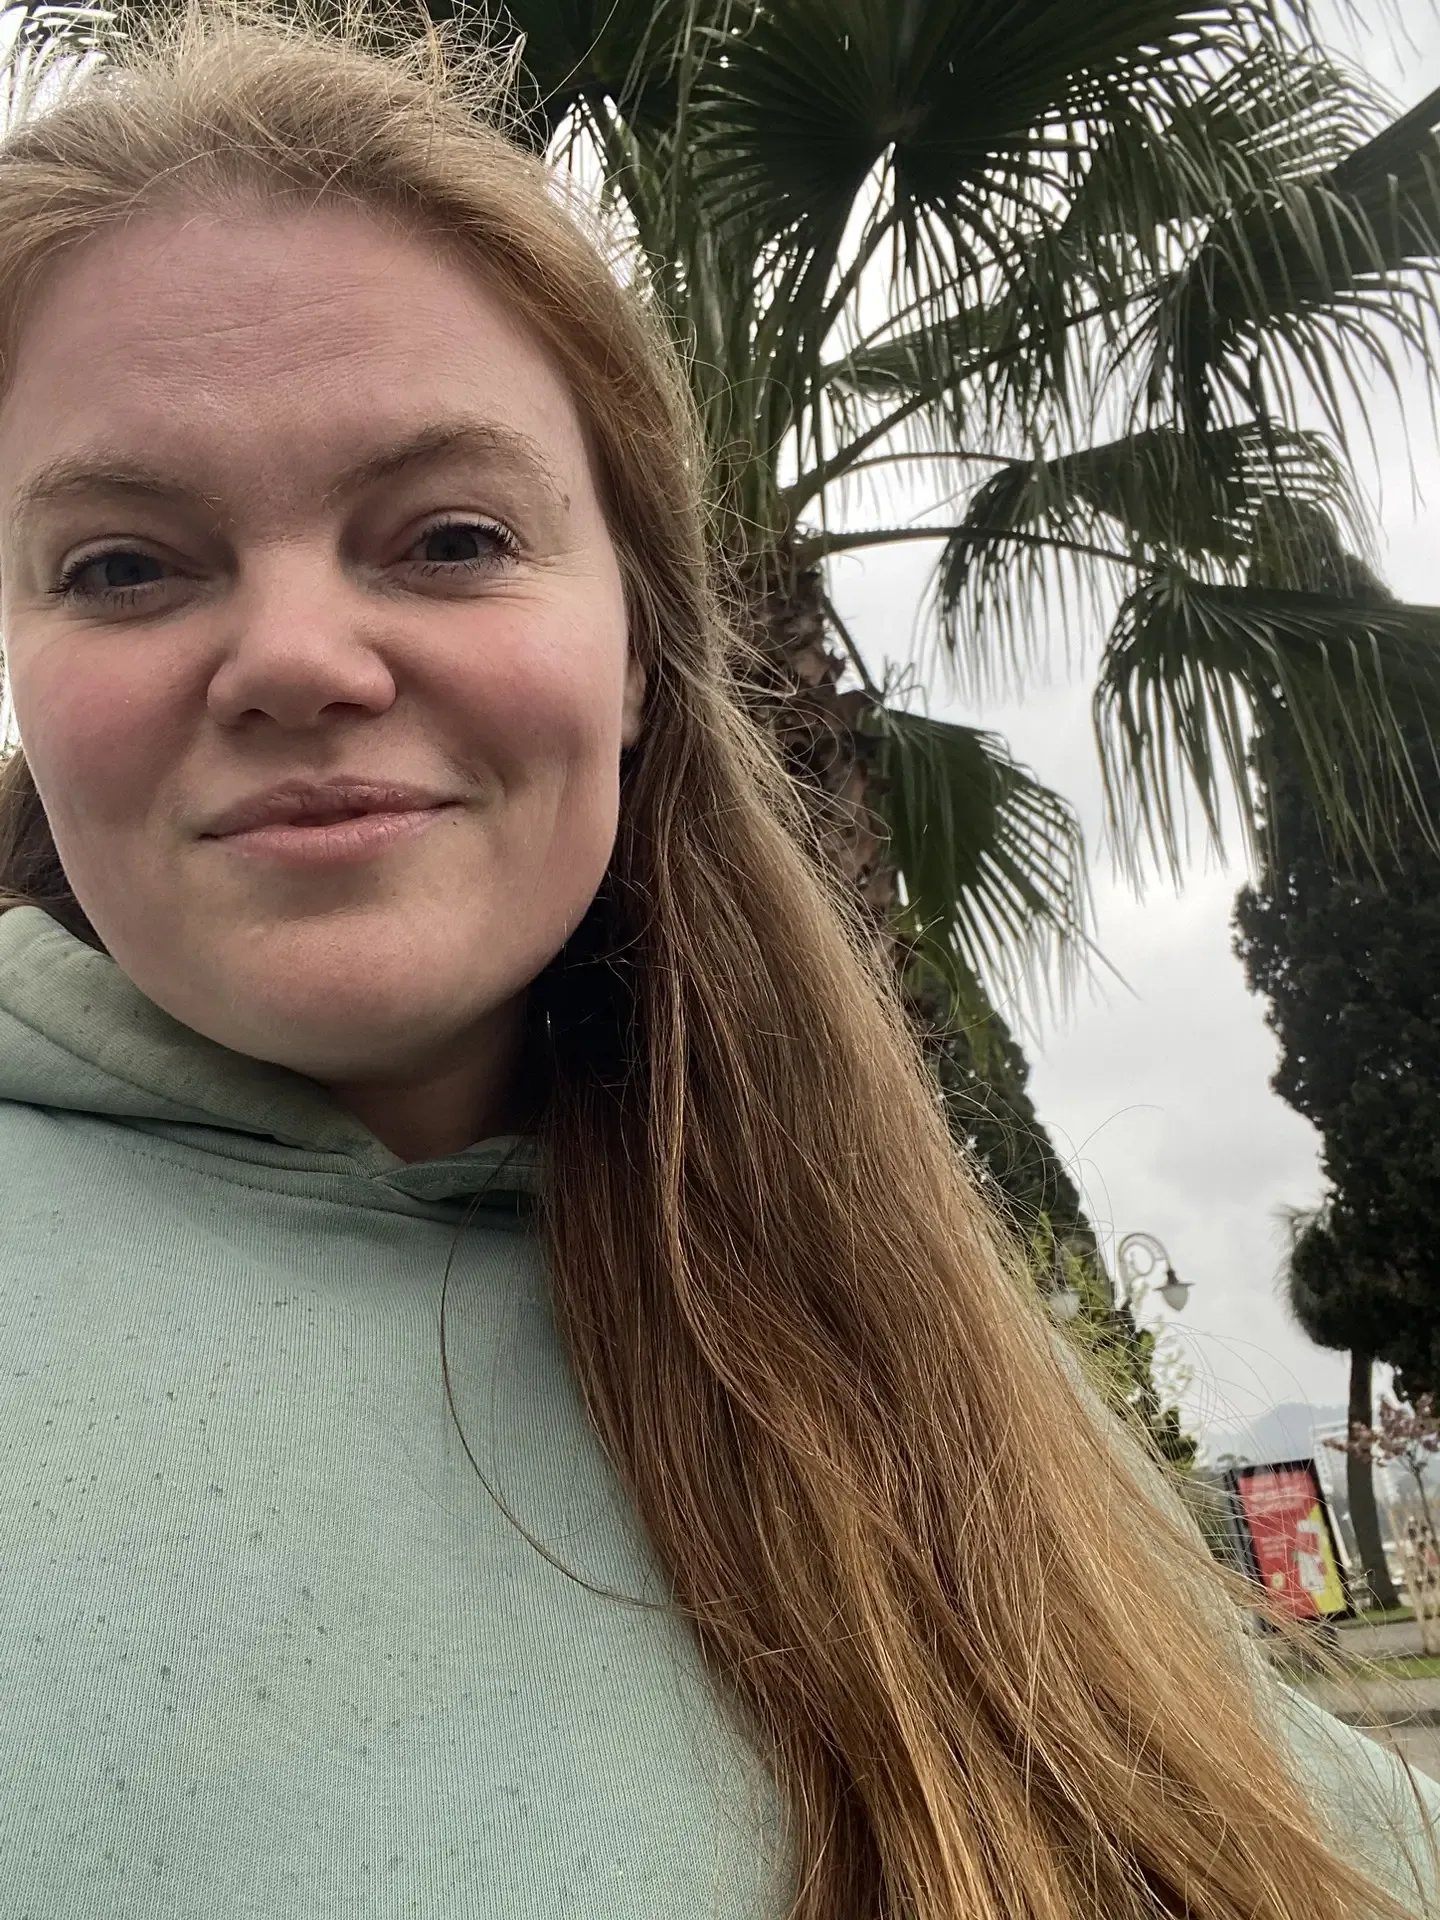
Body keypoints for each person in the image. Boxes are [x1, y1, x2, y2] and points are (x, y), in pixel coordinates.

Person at [0, 7, 1431, 1916]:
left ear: (638, 650)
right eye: (121, 566)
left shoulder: (883, 1317)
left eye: (448, 536)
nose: (298, 661)